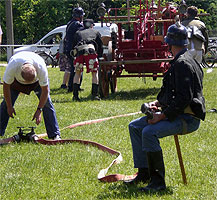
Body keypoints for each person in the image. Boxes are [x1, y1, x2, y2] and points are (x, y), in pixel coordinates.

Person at [125, 23, 205, 192]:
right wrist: (158, 104)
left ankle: (158, 183)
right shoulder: (182, 60)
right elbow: (171, 92)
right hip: (177, 114)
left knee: (149, 132)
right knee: (135, 126)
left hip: (188, 119)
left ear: (169, 43)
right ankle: (144, 173)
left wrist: (162, 115)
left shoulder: (183, 63)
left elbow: (185, 98)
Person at [0, 51, 61, 140]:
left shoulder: (41, 67)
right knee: (5, 104)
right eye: (26, 82)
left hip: (37, 83)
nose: (27, 84)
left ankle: (55, 134)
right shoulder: (13, 66)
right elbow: (6, 87)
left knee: (47, 103)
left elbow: (45, 90)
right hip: (16, 83)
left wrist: (39, 110)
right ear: (20, 72)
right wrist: (9, 106)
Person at [71, 19, 103, 101]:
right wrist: (99, 56)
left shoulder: (78, 33)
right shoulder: (96, 32)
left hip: (79, 52)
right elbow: (100, 46)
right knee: (94, 73)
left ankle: (75, 96)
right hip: (91, 51)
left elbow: (73, 45)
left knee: (77, 73)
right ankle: (95, 95)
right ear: (91, 25)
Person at [64, 7, 84, 92]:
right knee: (76, 68)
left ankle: (73, 86)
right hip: (73, 49)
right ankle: (73, 87)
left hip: (69, 48)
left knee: (74, 67)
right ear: (79, 16)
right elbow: (81, 35)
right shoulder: (77, 24)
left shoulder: (70, 23)